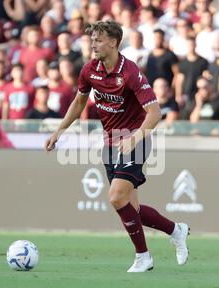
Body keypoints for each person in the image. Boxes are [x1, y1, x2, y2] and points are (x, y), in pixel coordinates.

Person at [45, 20, 190, 273]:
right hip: (110, 143)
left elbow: (154, 113)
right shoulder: (89, 70)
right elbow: (79, 103)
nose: (93, 44)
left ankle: (143, 257)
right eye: (92, 40)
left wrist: (134, 139)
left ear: (113, 42)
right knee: (130, 208)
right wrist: (59, 130)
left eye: (98, 40)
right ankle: (175, 230)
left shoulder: (131, 72)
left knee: (115, 197)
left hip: (136, 139)